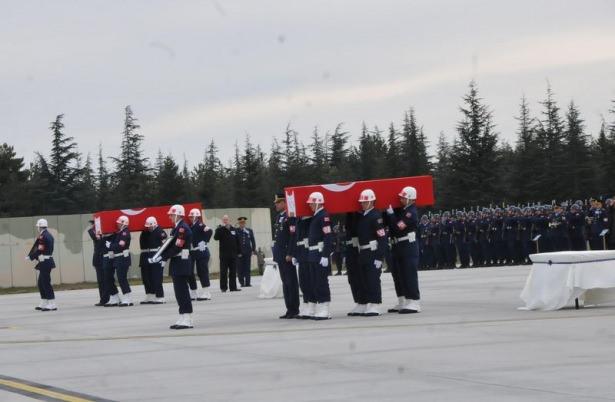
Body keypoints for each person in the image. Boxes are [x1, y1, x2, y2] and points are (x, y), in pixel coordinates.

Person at [150, 204, 194, 329]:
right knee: (178, 291)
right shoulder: (177, 228)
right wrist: (160, 255)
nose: (169, 217)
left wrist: (162, 257)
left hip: (181, 261)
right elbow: (170, 245)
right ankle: (182, 315)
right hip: (177, 261)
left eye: (171, 214)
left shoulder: (182, 228)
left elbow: (177, 247)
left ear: (178, 215)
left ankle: (187, 318)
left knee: (182, 291)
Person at [386, 186, 421, 314]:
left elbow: (397, 227)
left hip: (408, 246)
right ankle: (403, 300)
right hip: (399, 246)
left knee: (409, 274)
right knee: (399, 275)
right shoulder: (403, 210)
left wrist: (391, 214)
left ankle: (414, 302)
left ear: (410, 198)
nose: (401, 199)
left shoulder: (410, 212)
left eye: (403, 197)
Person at [355, 189, 387, 316]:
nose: (362, 204)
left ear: (372, 201)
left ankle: (375, 304)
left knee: (373, 279)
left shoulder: (376, 216)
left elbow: (382, 238)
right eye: (362, 202)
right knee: (364, 280)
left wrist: (379, 257)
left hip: (373, 252)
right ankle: (368, 302)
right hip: (364, 251)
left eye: (365, 202)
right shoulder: (363, 216)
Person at [272, 194, 300, 318]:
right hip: (280, 254)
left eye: (278, 202)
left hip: (286, 254)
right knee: (285, 282)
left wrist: (290, 253)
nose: (276, 205)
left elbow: (293, 236)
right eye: (276, 203)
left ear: (284, 203)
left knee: (291, 282)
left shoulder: (290, 216)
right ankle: (289, 309)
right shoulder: (279, 217)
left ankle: (294, 309)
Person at [306, 191, 333, 320]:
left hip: (320, 254)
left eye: (312, 203)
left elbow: (328, 237)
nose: (310, 205)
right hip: (313, 254)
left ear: (318, 203)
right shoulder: (316, 216)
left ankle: (325, 309)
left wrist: (325, 255)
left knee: (321, 282)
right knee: (315, 282)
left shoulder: (324, 216)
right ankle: (320, 307)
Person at [26, 219, 57, 311]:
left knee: (46, 283)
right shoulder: (48, 235)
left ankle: (52, 303)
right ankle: (44, 301)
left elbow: (40, 249)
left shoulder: (43, 236)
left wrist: (31, 257)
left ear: (40, 226)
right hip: (45, 261)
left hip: (45, 262)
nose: (38, 228)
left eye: (38, 227)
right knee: (41, 283)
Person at [105, 215, 133, 307]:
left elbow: (120, 246)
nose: (118, 224)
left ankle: (127, 298)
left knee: (122, 278)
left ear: (124, 224)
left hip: (123, 258)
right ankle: (126, 297)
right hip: (119, 258)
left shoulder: (125, 233)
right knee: (121, 278)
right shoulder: (120, 233)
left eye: (119, 223)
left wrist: (110, 246)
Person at [139, 217, 168, 304]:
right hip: (146, 256)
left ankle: (160, 296)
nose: (148, 228)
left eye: (150, 226)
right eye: (147, 226)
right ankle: (150, 295)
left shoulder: (161, 232)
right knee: (146, 277)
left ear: (154, 224)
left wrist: (163, 258)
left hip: (156, 256)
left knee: (156, 277)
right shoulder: (145, 232)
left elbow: (165, 246)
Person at [188, 208, 213, 300]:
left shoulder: (200, 224)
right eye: (190, 216)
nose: (190, 218)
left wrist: (204, 241)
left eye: (192, 216)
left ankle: (206, 292)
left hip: (201, 251)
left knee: (202, 272)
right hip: (192, 252)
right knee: (189, 272)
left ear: (196, 216)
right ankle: (193, 291)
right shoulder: (191, 226)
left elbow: (210, 231)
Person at [214, 215, 241, 292]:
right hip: (224, 255)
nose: (225, 221)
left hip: (233, 255)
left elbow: (238, 241)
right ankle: (223, 288)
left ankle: (233, 287)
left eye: (226, 219)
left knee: (233, 272)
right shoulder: (220, 229)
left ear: (229, 220)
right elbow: (216, 238)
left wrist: (239, 252)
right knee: (223, 272)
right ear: (222, 221)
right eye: (224, 220)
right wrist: (219, 229)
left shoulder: (233, 229)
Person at [87, 220, 108, 306]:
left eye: (93, 224)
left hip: (104, 258)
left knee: (106, 280)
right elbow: (92, 233)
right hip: (98, 259)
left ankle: (108, 298)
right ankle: (103, 299)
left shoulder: (104, 233)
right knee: (100, 281)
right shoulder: (95, 233)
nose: (92, 226)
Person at [237, 216, 256, 287]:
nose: (242, 224)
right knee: (240, 268)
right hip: (239, 252)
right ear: (239, 223)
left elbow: (253, 240)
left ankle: (248, 282)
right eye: (241, 223)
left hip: (248, 251)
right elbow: (235, 242)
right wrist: (237, 252)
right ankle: (242, 282)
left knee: (247, 267)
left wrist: (253, 249)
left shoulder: (249, 230)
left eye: (243, 223)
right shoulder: (237, 230)